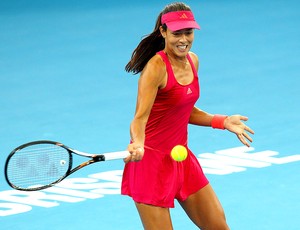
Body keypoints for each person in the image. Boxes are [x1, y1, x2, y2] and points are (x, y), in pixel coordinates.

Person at [121, 2, 254, 230]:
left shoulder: (193, 61)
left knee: (219, 226)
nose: (183, 39)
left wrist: (221, 121)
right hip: (149, 165)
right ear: (163, 32)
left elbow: (182, 109)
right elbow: (140, 118)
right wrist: (139, 143)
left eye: (188, 32)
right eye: (176, 33)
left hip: (181, 160)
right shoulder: (156, 68)